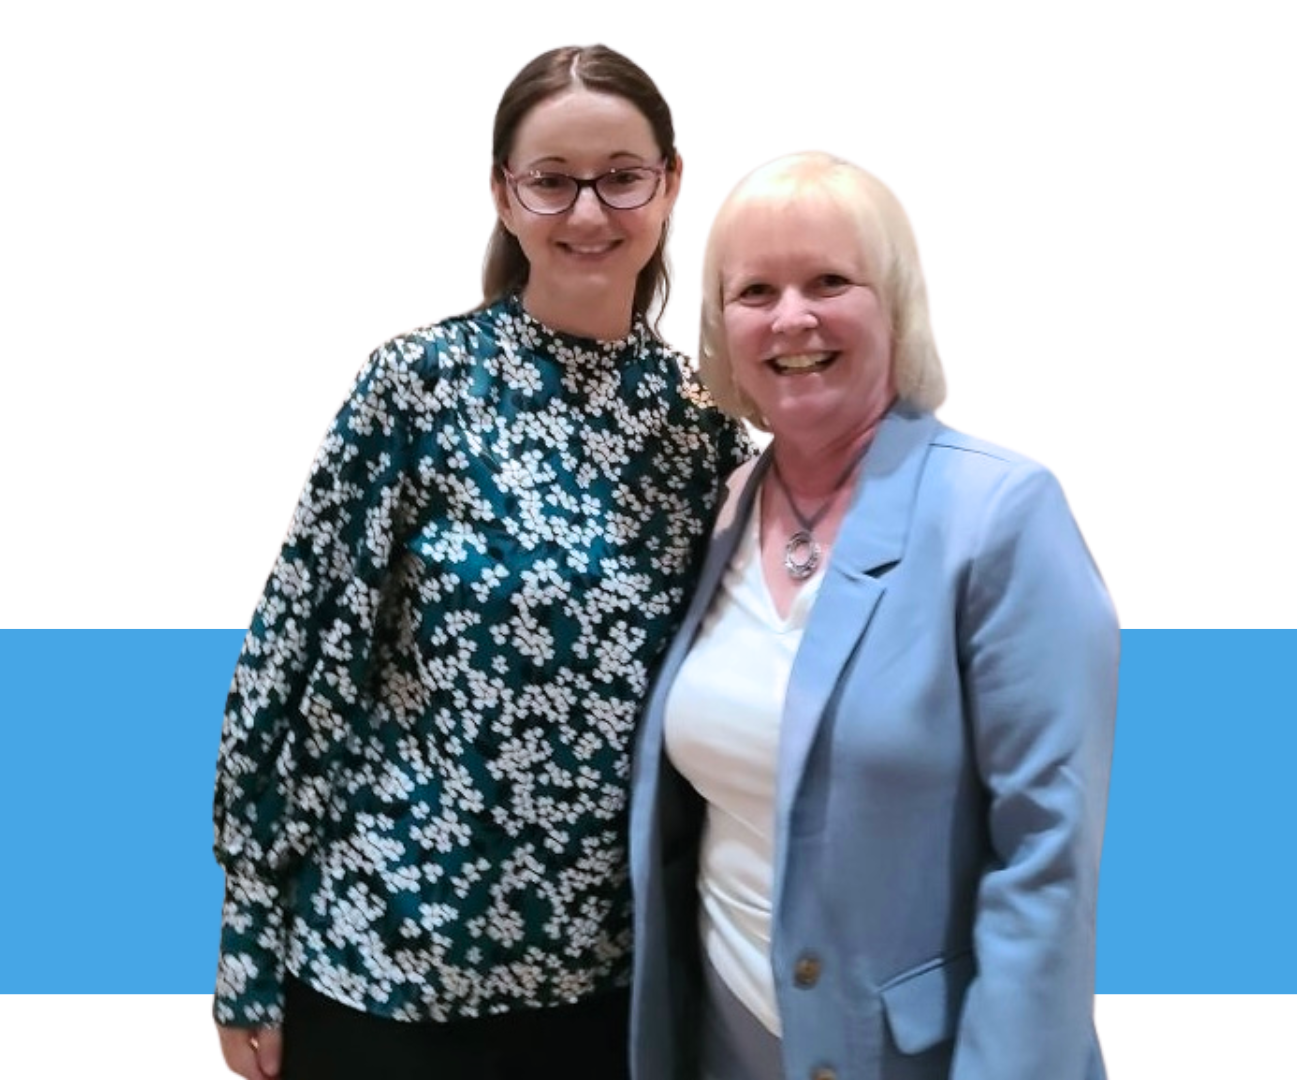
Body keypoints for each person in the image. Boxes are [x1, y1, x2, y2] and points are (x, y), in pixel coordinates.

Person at [211, 44, 753, 1080]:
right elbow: (293, 663)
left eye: (621, 177)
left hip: (601, 993)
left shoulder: (705, 428)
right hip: (388, 969)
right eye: (551, 181)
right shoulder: (417, 390)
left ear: (670, 185)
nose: (588, 213)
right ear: (503, 195)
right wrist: (247, 935)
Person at [626, 151, 1120, 1080]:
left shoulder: (1001, 514)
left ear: (893, 304)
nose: (791, 318)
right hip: (724, 1046)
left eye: (829, 282)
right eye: (755, 291)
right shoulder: (726, 509)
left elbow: (1045, 863)